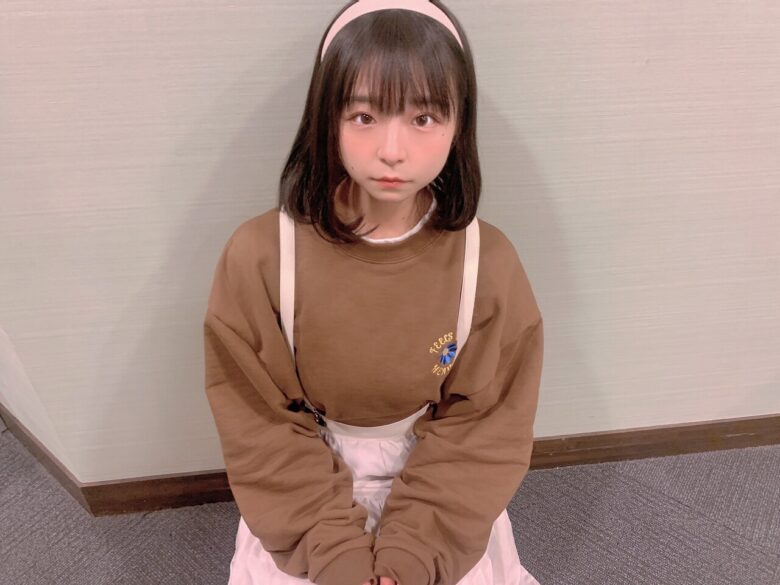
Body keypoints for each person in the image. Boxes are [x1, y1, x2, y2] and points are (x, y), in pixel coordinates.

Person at [203, 1, 544, 585]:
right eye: (364, 116)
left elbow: (484, 428)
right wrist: (337, 555)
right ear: (326, 118)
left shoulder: (487, 264)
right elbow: (260, 426)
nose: (392, 150)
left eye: (423, 117)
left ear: (459, 126)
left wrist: (414, 555)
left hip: (439, 494)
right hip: (306, 496)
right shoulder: (261, 256)